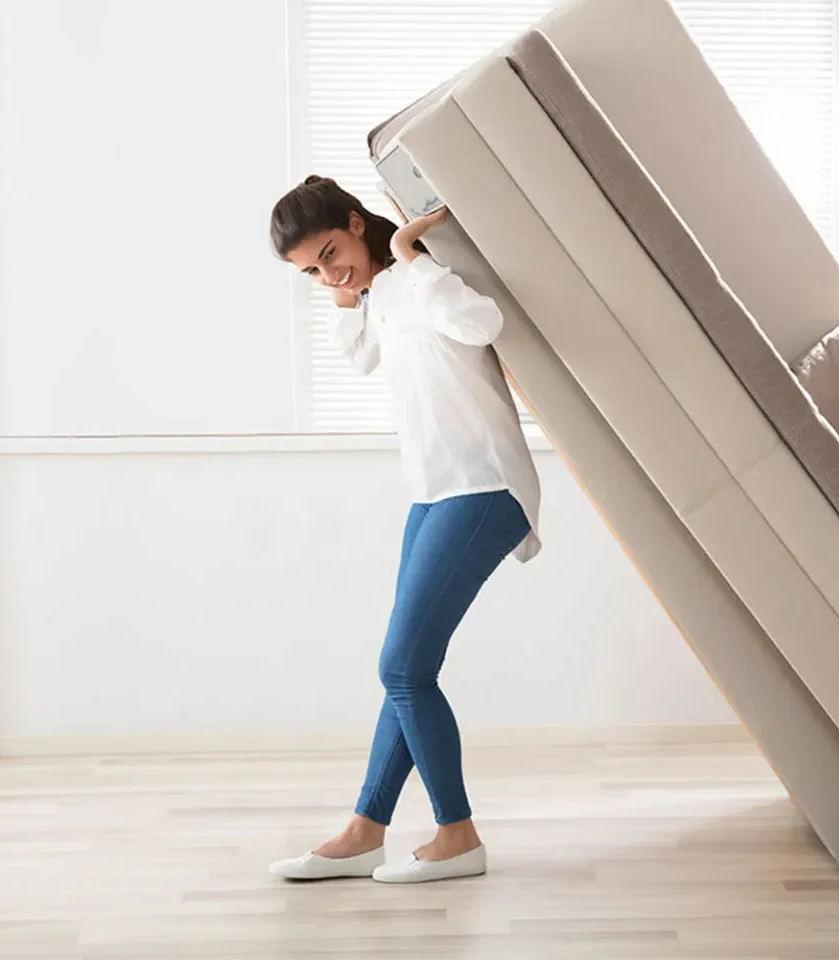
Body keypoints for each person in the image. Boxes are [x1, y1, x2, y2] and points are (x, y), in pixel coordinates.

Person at [264, 175, 541, 884]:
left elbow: (482, 326)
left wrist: (407, 251)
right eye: (312, 272)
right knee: (406, 672)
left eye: (331, 253)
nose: (330, 273)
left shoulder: (425, 276)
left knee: (402, 668)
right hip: (433, 493)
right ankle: (365, 829)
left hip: (482, 485)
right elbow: (359, 355)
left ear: (357, 224)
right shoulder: (379, 297)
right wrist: (344, 293)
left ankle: (458, 836)